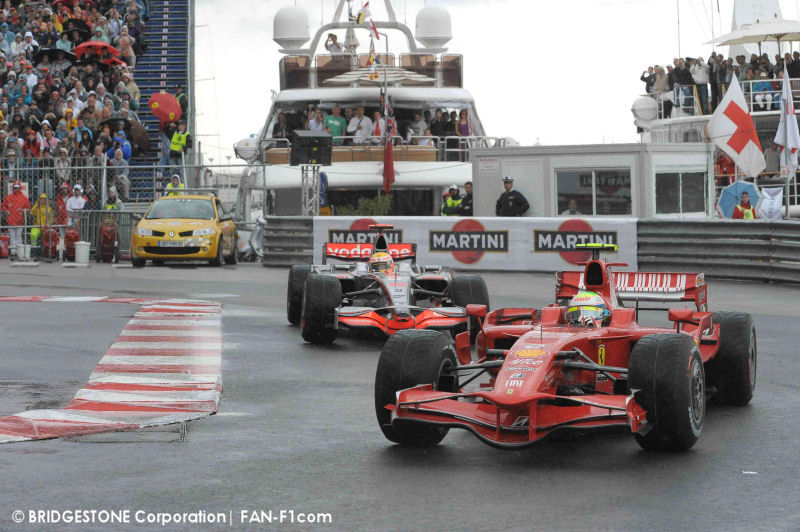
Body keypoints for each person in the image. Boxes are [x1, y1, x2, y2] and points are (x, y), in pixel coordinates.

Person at [1, 181, 30, 253]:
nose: (16, 189)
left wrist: (24, 211)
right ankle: (13, 251)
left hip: (20, 220)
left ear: (20, 188)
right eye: (15, 187)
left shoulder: (24, 198)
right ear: (13, 188)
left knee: (19, 236)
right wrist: (6, 210)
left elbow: (28, 208)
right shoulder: (8, 197)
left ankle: (19, 251)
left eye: (17, 188)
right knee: (12, 236)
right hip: (10, 220)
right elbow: (3, 206)